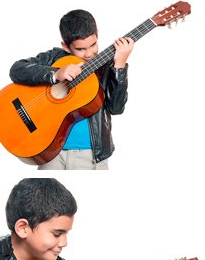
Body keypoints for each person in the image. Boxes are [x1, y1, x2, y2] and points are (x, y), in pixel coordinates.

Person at [9, 9, 133, 170]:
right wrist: (56, 73)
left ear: (97, 34)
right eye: (80, 49)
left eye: (93, 45)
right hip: (52, 152)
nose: (89, 53)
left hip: (91, 155)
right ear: (66, 46)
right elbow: (17, 69)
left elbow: (116, 108)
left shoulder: (108, 66)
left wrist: (120, 66)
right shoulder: (56, 58)